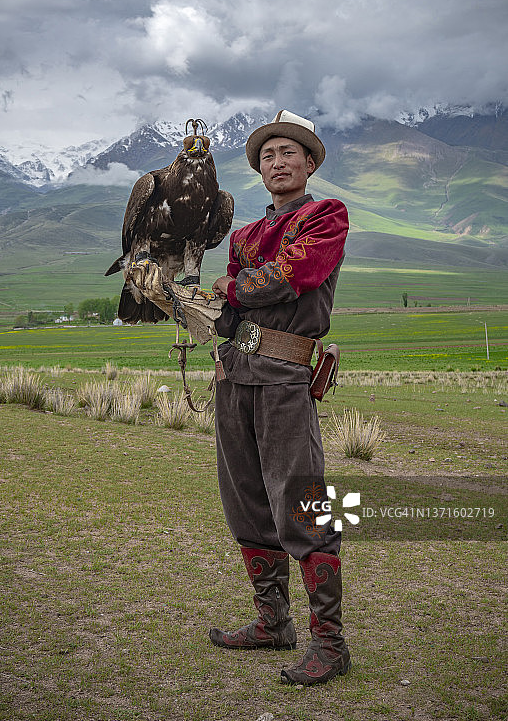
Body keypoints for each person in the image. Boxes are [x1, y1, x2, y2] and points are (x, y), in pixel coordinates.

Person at [210, 109, 350, 686]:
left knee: (305, 503)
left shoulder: (327, 216)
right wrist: (183, 300)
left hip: (287, 377)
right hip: (234, 376)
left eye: (288, 152)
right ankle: (273, 622)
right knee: (245, 501)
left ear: (309, 163)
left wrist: (232, 286)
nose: (277, 162)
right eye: (267, 155)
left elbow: (292, 277)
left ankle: (331, 644)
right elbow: (230, 315)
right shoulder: (242, 235)